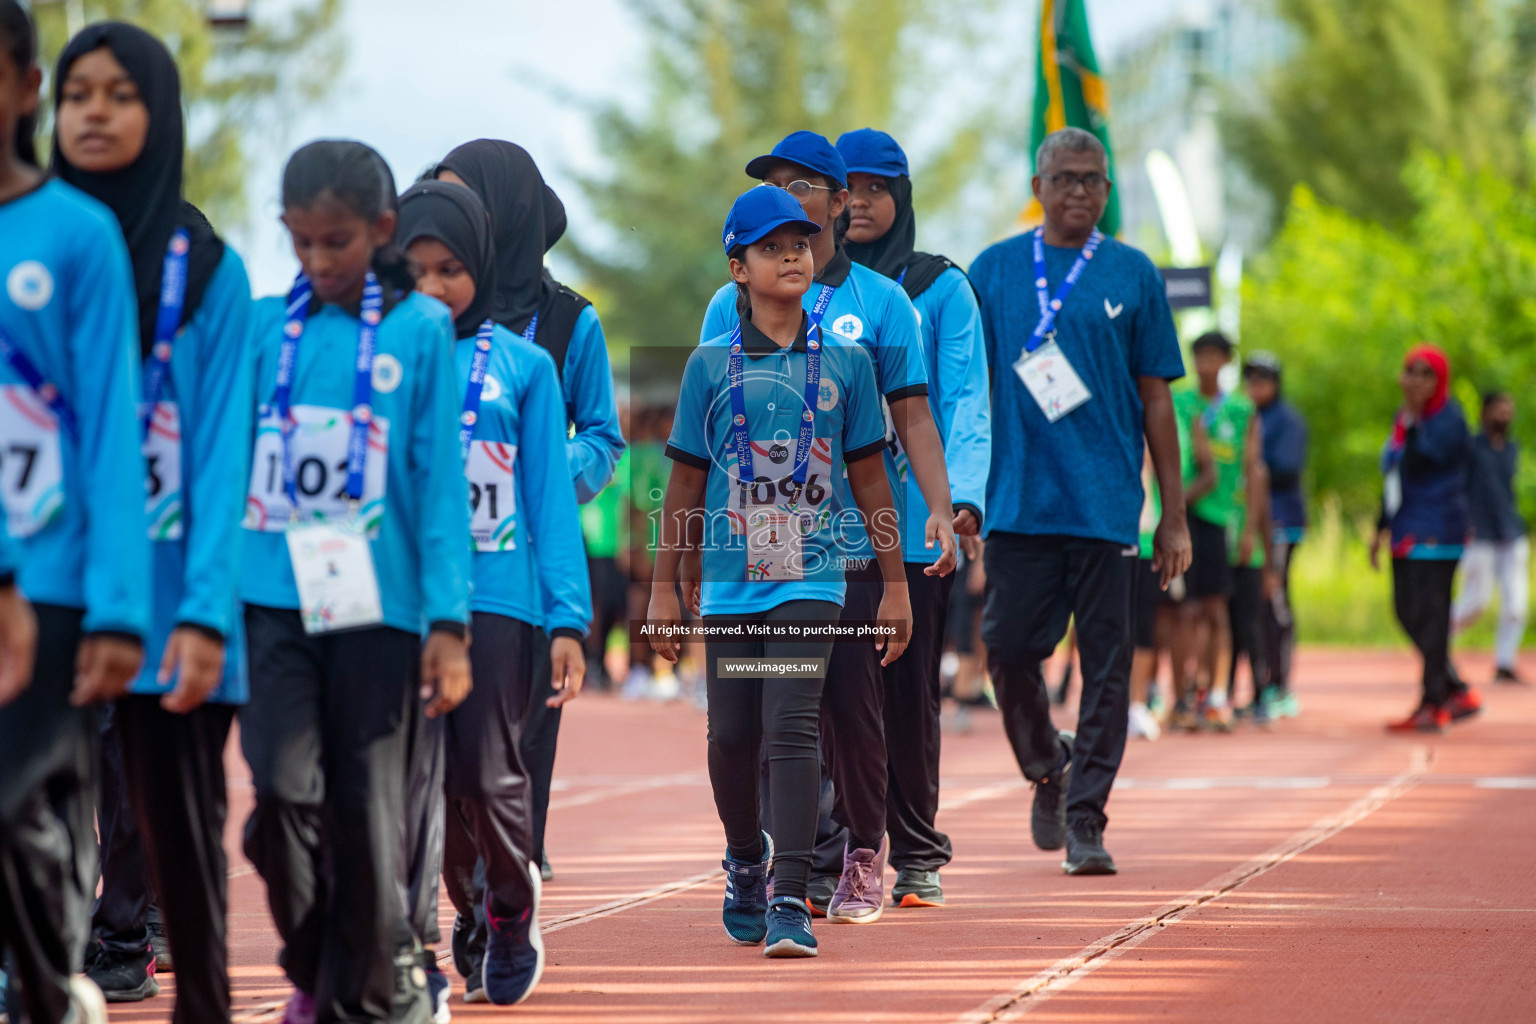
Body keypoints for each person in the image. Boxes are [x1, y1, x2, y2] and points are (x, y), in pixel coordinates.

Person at [238, 140, 472, 1024]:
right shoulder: (265, 327)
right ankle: (320, 957)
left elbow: (438, 481)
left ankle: (369, 999)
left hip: (380, 606)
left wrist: (448, 622)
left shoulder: (417, 331)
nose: (317, 261)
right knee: (282, 794)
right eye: (299, 243)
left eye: (334, 242)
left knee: (370, 809)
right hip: (270, 598)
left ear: (379, 231)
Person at [51, 22, 254, 1020]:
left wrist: (209, 609)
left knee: (167, 822)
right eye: (74, 92)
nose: (92, 111)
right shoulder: (24, 248)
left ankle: (144, 948)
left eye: (119, 93)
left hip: (174, 595)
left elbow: (223, 457)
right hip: (46, 587)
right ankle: (46, 960)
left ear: (160, 112)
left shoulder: (211, 270)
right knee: (36, 803)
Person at [699, 130, 955, 920]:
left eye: (806, 187)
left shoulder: (884, 305)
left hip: (850, 536)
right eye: (776, 183)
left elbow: (910, 415)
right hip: (762, 541)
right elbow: (708, 422)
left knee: (851, 702)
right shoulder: (727, 303)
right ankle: (793, 865)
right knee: (777, 708)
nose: (791, 198)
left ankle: (865, 856)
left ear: (840, 206)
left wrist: (939, 507)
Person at [650, 184, 911, 957]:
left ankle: (791, 898)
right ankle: (744, 860)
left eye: (800, 242)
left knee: (791, 726)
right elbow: (685, 484)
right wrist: (667, 583)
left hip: (814, 578)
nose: (792, 254)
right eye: (772, 247)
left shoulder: (848, 365)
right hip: (731, 581)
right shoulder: (706, 368)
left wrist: (894, 586)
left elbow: (869, 479)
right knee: (732, 736)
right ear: (738, 267)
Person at [969, 127, 1189, 876]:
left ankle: (1087, 819)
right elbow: (964, 391)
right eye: (1064, 178)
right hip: (1018, 504)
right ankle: (1048, 767)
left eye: (1093, 180)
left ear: (1108, 188)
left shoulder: (1133, 273)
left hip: (1106, 508)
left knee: (1108, 669)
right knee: (1007, 651)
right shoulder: (994, 270)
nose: (1079, 193)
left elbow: (1157, 399)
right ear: (1038, 185)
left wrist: (1174, 514)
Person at [397, 179, 591, 1009]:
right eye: (417, 271)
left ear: (480, 263)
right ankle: (445, 932)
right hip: (403, 607)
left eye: (451, 269)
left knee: (488, 774)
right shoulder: (387, 357)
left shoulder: (526, 367)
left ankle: (511, 907)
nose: (435, 288)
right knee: (424, 786)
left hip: (502, 604)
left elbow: (549, 499)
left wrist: (568, 619)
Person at [0, 4, 150, 1021]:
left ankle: (49, 983)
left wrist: (117, 607)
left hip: (48, 585)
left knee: (24, 809)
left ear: (23, 87)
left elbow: (109, 430)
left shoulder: (77, 236)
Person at [431, 140, 624, 886]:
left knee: (519, 741)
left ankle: (515, 872)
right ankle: (464, 886)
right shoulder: (417, 320)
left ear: (505, 212)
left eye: (468, 200)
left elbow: (603, 440)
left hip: (532, 565)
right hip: (436, 570)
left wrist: (535, 470)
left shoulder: (571, 324)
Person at [833, 127, 988, 908]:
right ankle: (831, 847)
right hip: (819, 527)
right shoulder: (799, 282)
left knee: (905, 690)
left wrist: (956, 502)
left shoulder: (938, 288)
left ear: (902, 197)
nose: (858, 202)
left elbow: (961, 403)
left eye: (875, 187)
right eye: (845, 187)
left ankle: (916, 851)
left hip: (911, 524)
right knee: (823, 692)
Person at [1371, 344, 1481, 732]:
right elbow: (1393, 476)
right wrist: (1378, 527)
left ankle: (1434, 702)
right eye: (1410, 371)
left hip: (1440, 528)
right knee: (1405, 611)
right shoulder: (1404, 419)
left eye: (1424, 373)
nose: (1415, 380)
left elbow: (1419, 462)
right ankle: (1455, 688)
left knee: (1433, 615)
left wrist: (1416, 417)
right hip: (1405, 528)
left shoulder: (1449, 419)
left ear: (1438, 379)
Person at [1170, 331, 1262, 732]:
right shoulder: (1179, 401)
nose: (1206, 364)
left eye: (1214, 357)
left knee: (1216, 608)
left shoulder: (1242, 410)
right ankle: (1183, 695)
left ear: (1226, 362)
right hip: (1180, 517)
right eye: (1199, 356)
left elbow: (1254, 470)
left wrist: (1249, 529)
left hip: (1221, 519)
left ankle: (1219, 694)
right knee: (1183, 611)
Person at [1242, 350, 1307, 716]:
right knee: (1252, 605)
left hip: (1281, 522)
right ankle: (1259, 683)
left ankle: (1280, 685)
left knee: (1275, 599)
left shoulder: (1287, 421)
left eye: (1263, 380)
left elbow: (1285, 469)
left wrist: (1250, 466)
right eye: (1250, 380)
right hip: (1249, 519)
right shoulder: (1243, 415)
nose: (1256, 387)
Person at [1452, 392, 1528, 684]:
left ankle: (1505, 662)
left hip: (1510, 532)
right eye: (1498, 410)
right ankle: (1435, 643)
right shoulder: (1470, 448)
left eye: (1508, 410)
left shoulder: (1511, 448)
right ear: (1484, 412)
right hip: (1479, 533)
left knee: (1516, 604)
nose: (1504, 416)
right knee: (1475, 602)